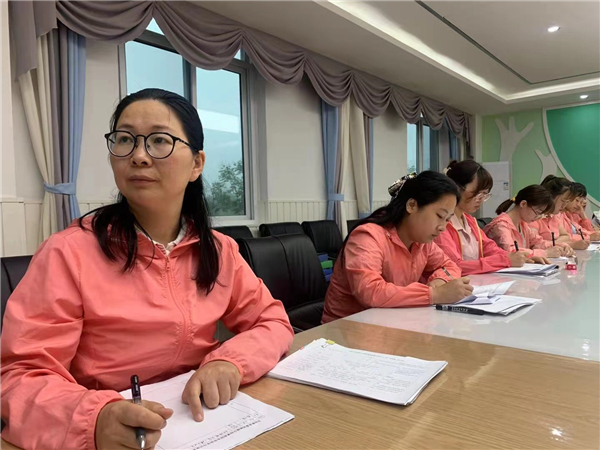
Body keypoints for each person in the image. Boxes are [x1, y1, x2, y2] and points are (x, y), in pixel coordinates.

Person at [0, 89, 294, 450]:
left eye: (159, 141)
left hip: (204, 422)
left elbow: (272, 321)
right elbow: (19, 377)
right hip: (110, 432)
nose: (138, 155)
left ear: (196, 164)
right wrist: (93, 420)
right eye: (125, 140)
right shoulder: (68, 253)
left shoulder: (219, 250)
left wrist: (230, 363)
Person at [322, 171, 473, 324]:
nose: (442, 227)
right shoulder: (368, 237)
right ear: (412, 205)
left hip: (391, 322)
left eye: (447, 220)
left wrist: (440, 280)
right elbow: (370, 291)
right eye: (440, 216)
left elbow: (449, 266)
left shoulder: (422, 242)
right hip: (345, 328)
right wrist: (434, 294)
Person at [435, 160, 532, 275]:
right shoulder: (442, 224)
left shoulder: (470, 221)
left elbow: (490, 248)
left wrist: (521, 257)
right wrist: (505, 260)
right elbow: (455, 265)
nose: (480, 200)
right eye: (477, 193)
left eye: (484, 195)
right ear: (457, 188)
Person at [484, 185, 571, 261]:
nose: (538, 217)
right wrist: (545, 253)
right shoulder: (501, 226)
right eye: (537, 212)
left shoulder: (522, 224)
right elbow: (511, 252)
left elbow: (538, 242)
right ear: (523, 204)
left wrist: (560, 246)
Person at [530, 175, 589, 250]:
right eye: (563, 201)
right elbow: (535, 245)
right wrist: (569, 244)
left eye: (567, 202)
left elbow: (566, 236)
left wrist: (554, 243)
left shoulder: (553, 216)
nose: (564, 205)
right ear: (551, 197)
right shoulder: (534, 217)